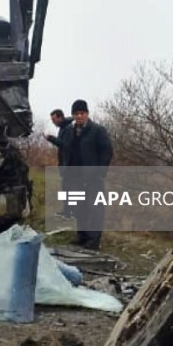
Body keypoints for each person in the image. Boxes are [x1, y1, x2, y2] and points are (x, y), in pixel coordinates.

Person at [59, 99, 113, 250]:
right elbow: (65, 149)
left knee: (95, 209)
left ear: (87, 114)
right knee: (79, 207)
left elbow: (107, 152)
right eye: (76, 114)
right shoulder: (69, 131)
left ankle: (93, 240)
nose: (79, 116)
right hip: (74, 177)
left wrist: (101, 172)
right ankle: (82, 237)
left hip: (92, 177)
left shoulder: (98, 130)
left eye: (82, 113)